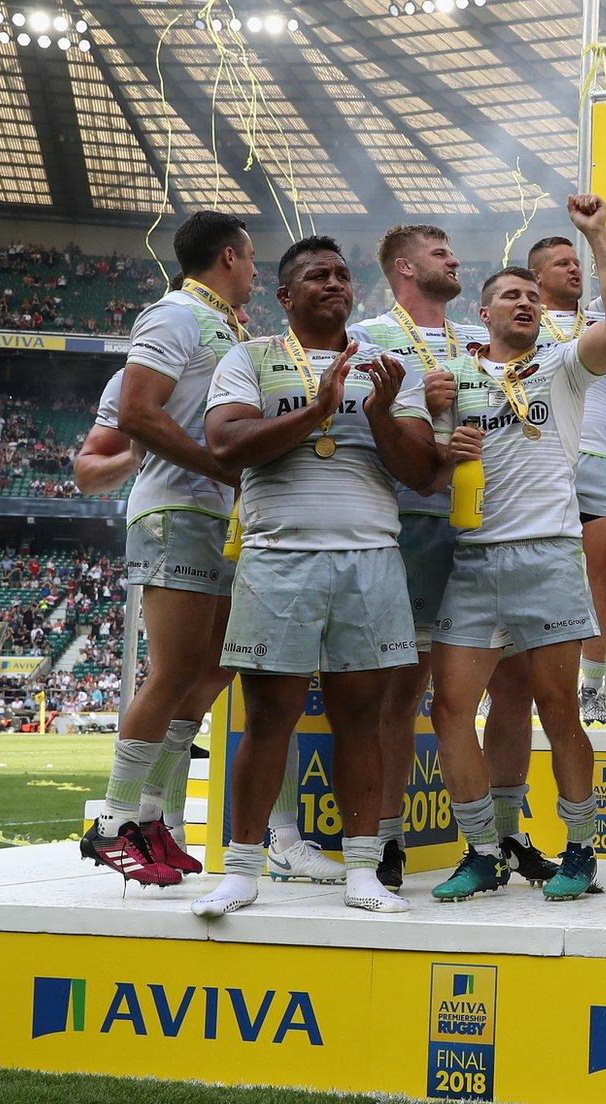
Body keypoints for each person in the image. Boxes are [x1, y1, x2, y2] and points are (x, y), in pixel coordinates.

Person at [194, 235, 442, 916]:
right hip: (278, 556)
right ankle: (242, 870)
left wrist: (384, 414)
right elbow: (224, 445)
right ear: (285, 295)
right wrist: (318, 410)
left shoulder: (390, 367)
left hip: (369, 555)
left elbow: (422, 472)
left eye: (341, 273)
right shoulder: (251, 359)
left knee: (358, 718)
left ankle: (363, 870)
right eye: (316, 276)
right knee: (268, 716)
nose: (335, 283)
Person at [425, 195, 606, 904]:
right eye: (509, 295)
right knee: (450, 710)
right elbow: (424, 464)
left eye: (530, 295)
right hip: (474, 560)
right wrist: (435, 434)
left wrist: (598, 237)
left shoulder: (563, 368)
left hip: (548, 555)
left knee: (557, 710)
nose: (524, 302)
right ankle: (484, 850)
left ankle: (583, 849)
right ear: (482, 314)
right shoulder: (453, 380)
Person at [83, 213, 248, 888]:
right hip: (178, 511)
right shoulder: (174, 314)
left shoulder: (229, 327)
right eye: (252, 260)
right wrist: (218, 468)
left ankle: (152, 816)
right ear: (231, 257)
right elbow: (137, 414)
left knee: (211, 673)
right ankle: (112, 823)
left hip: (219, 518)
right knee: (175, 670)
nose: (258, 273)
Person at [348, 224, 488, 890]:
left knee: (450, 694)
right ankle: (384, 837)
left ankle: (493, 840)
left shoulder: (469, 344)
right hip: (395, 524)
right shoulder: (371, 335)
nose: (454, 257)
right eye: (440, 251)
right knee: (393, 696)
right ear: (404, 266)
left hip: (463, 528)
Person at [529, 232, 606, 724]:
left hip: (595, 457)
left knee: (598, 576)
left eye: (577, 263)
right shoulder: (519, 323)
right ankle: (515, 679)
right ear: (537, 275)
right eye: (562, 263)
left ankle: (592, 686)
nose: (574, 270)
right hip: (538, 456)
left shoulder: (601, 324)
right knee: (533, 570)